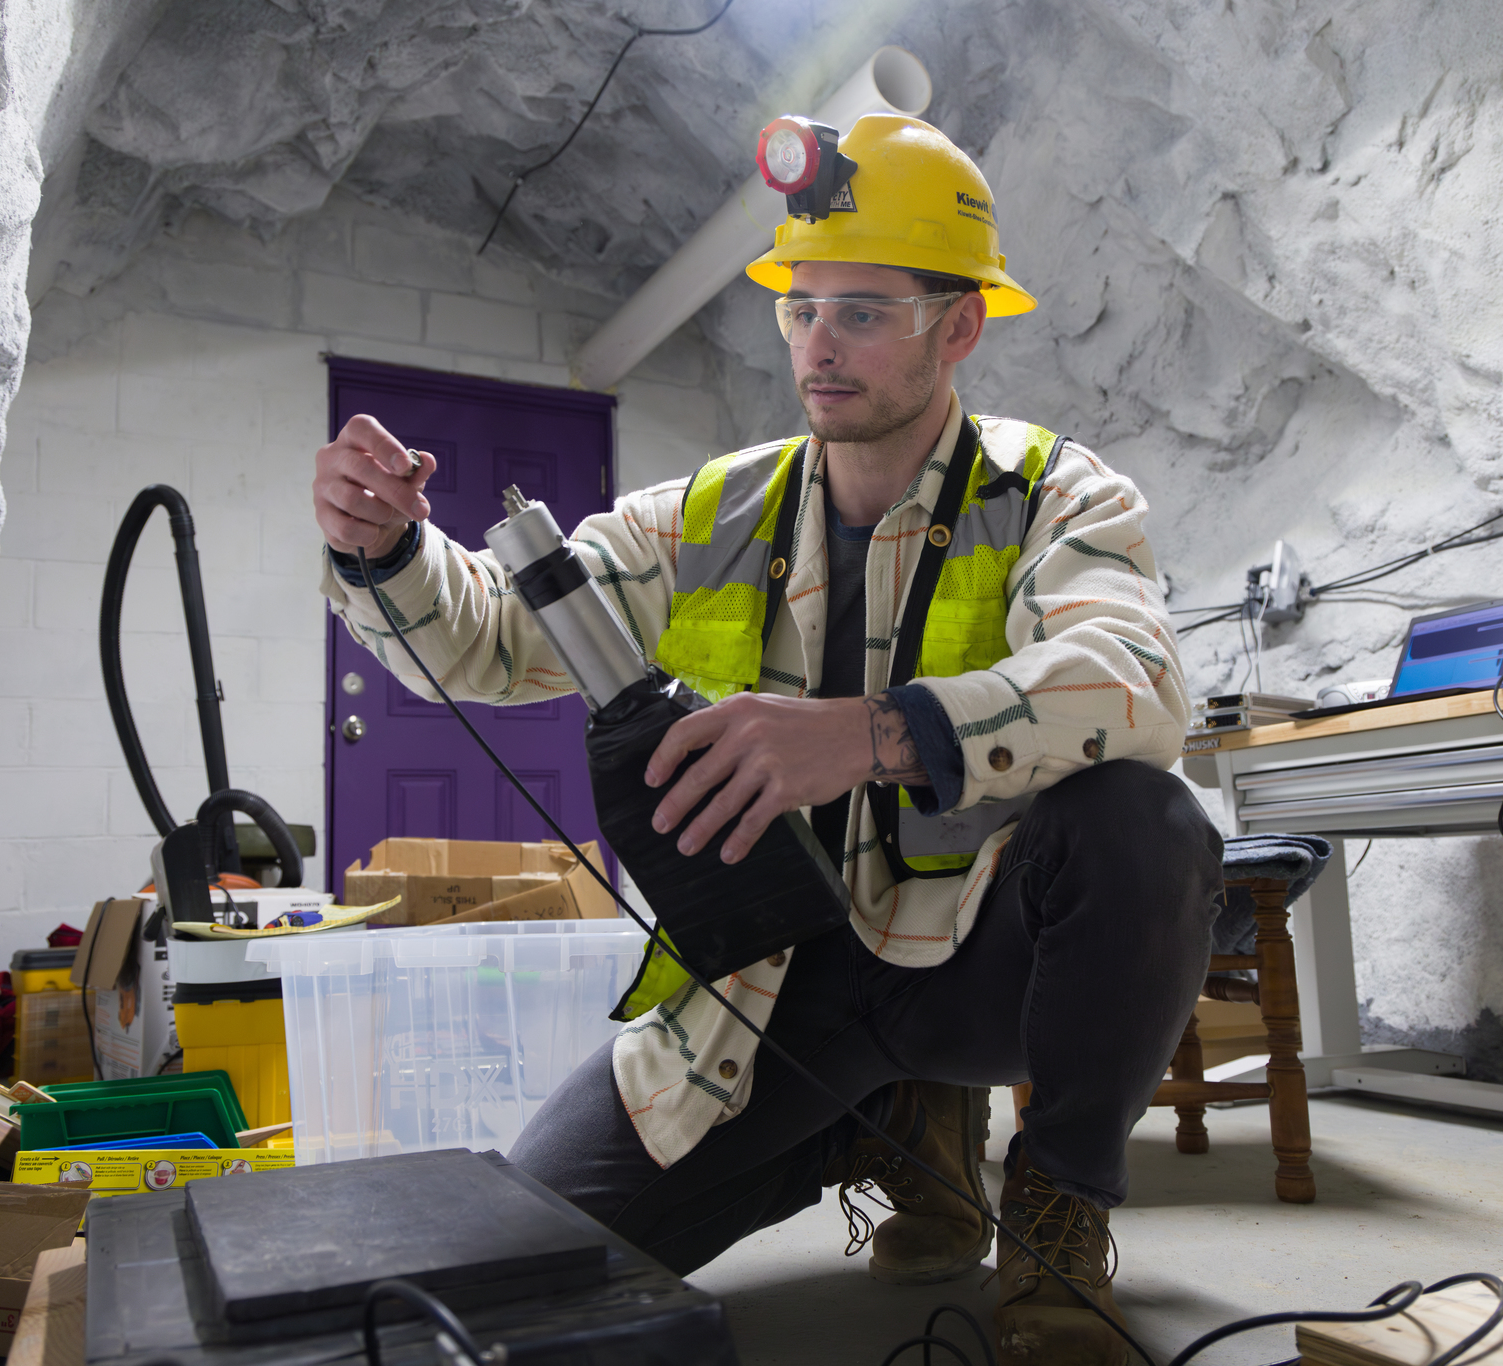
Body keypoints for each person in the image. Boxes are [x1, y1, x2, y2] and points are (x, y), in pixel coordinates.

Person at [311, 114, 1220, 1366]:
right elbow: (492, 641)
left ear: (958, 326)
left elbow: (1140, 681)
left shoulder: (1052, 492)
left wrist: (871, 734)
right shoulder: (711, 513)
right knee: (524, 1263)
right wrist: (387, 552)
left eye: (863, 312)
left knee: (1144, 823)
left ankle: (1055, 1199)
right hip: (773, 982)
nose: (817, 345)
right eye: (801, 308)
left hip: (975, 963)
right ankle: (892, 1128)